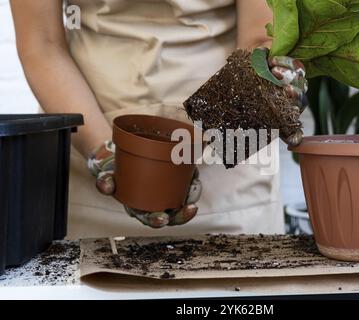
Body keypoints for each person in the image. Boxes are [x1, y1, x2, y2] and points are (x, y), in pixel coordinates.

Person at [10, 0, 307, 238]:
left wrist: (227, 121)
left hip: (227, 184)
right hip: (87, 163)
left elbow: (261, 34)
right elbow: (42, 43)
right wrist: (104, 154)